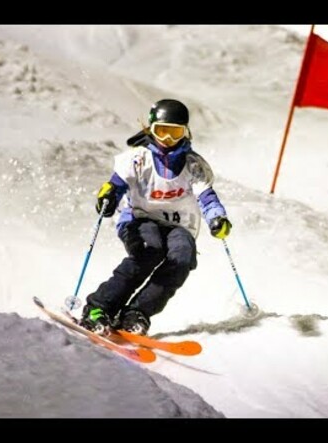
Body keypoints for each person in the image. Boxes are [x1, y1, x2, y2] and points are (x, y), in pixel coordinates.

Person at [79, 98, 232, 336]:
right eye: (162, 132)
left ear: (186, 132)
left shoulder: (193, 166)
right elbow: (116, 185)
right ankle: (99, 308)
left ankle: (136, 313)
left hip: (178, 226)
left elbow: (207, 197)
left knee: (182, 257)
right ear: (151, 129)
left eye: (175, 133)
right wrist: (108, 196)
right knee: (149, 250)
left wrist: (217, 218)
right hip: (138, 219)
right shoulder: (137, 159)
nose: (168, 140)